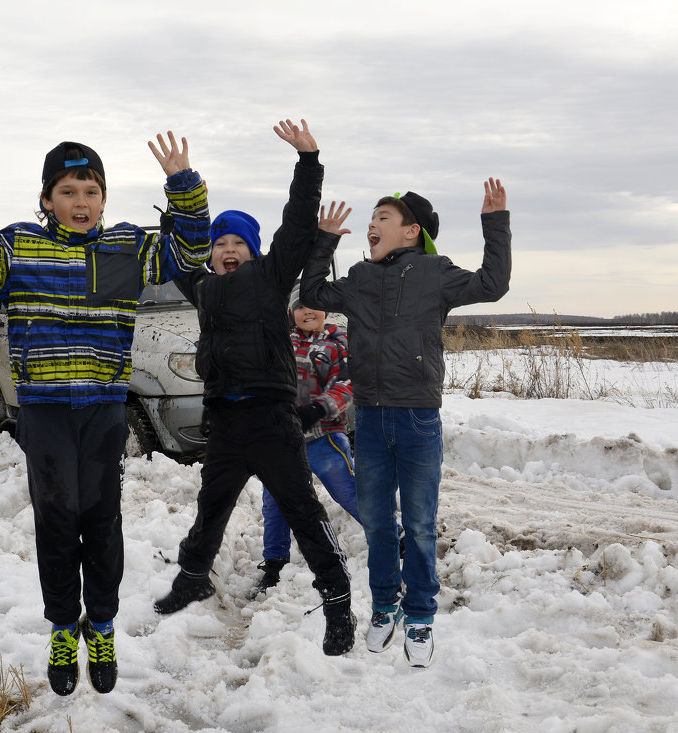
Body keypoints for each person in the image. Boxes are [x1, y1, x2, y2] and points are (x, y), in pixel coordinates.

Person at [0, 131, 211, 696]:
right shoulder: (18, 247)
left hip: (105, 408)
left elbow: (190, 254)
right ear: (46, 198)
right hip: (45, 410)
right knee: (57, 520)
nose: (80, 201)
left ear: (104, 199)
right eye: (67, 190)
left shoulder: (131, 249)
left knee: (102, 519)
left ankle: (101, 625)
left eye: (91, 190)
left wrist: (183, 186)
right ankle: (63, 627)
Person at [153, 119, 356, 657]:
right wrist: (178, 194)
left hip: (271, 419)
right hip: (226, 420)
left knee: (302, 512)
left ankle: (337, 597)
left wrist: (308, 161)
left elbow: (295, 225)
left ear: (255, 249)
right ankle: (192, 576)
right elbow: (176, 252)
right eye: (219, 241)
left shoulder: (270, 277)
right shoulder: (202, 289)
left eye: (238, 240)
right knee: (211, 508)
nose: (227, 248)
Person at [301, 181, 511, 668]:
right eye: (372, 219)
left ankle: (420, 615)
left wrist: (494, 224)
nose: (372, 225)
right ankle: (383, 606)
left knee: (417, 525)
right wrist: (324, 240)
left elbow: (493, 285)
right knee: (377, 522)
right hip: (369, 417)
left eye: (383, 219)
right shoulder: (357, 276)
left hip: (417, 415)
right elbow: (311, 291)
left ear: (412, 232)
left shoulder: (436, 274)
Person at [250, 293, 360, 599]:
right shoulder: (280, 342)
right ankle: (274, 563)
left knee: (347, 492)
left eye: (313, 305)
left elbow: (347, 383)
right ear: (291, 312)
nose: (307, 311)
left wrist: (319, 408)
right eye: (300, 306)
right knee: (274, 504)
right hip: (283, 441)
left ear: (326, 309)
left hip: (323, 435)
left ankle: (394, 537)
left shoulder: (338, 342)